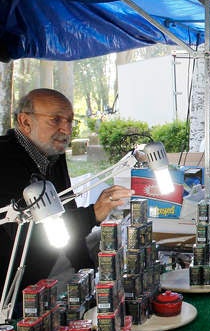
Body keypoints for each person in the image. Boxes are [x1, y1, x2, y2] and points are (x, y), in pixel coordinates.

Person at [0, 89, 133, 307]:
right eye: (55, 120)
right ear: (25, 122)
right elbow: (25, 237)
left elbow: (68, 220)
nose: (66, 129)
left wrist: (87, 275)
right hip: (16, 289)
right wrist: (92, 214)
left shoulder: (53, 156)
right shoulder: (4, 160)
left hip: (52, 271)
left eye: (70, 121)